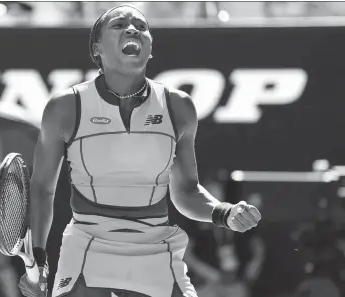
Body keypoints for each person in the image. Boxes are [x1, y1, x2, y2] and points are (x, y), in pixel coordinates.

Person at [18, 5, 261, 297]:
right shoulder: (64, 106)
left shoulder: (178, 106)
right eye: (119, 25)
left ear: (150, 47)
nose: (132, 29)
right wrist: (39, 258)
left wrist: (225, 212)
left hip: (157, 247)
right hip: (88, 244)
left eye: (141, 26)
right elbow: (43, 189)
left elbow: (185, 191)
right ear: (97, 49)